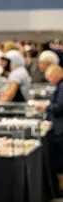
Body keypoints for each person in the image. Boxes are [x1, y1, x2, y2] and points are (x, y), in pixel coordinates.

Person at [45, 63, 63, 193]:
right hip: (58, 126)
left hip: (60, 127)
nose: (50, 81)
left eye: (50, 77)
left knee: (60, 158)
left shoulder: (62, 87)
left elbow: (60, 107)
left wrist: (46, 107)